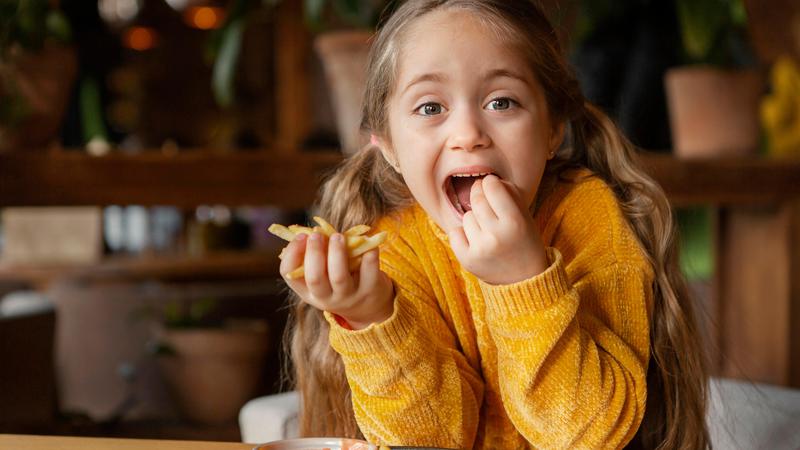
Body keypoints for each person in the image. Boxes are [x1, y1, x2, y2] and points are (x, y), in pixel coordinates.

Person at [279, 1, 709, 448]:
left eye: (501, 102)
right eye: (430, 107)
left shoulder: (587, 217)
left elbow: (591, 435)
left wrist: (523, 280)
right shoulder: (392, 248)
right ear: (388, 146)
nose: (468, 134)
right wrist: (372, 315)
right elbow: (431, 440)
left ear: (552, 130)